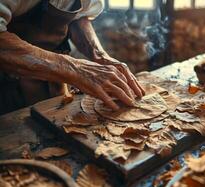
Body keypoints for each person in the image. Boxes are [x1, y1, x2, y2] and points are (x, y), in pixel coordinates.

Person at [0, 0, 145, 114]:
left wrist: (100, 55)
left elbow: (79, 18)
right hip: (8, 82)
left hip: (52, 77)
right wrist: (74, 68)